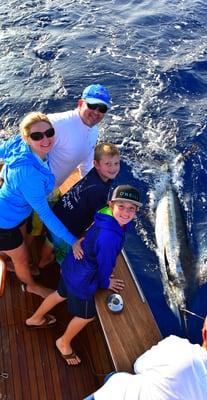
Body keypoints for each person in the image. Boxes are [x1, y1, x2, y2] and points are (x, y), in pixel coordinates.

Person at [25, 185, 142, 366]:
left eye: (131, 208)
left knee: (60, 293)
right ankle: (63, 343)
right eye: (122, 207)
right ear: (112, 205)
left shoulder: (105, 214)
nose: (126, 213)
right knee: (86, 316)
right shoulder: (110, 237)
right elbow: (104, 266)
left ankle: (35, 319)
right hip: (83, 280)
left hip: (72, 266)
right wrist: (105, 283)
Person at [85, 301, 207, 400]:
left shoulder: (177, 348)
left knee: (113, 377)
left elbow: (138, 366)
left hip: (113, 396)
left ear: (204, 333)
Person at [0, 112, 83, 298]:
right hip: (3, 225)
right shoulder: (30, 176)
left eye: (49, 132)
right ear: (26, 138)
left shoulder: (18, 143)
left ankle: (7, 257)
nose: (45, 139)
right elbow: (46, 215)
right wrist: (73, 241)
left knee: (20, 249)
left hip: (15, 214)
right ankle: (31, 286)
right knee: (22, 260)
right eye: (37, 136)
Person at [49, 142, 120, 264]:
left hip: (55, 215)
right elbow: (101, 218)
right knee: (68, 261)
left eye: (116, 163)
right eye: (108, 164)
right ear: (96, 164)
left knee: (49, 243)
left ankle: (42, 262)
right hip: (65, 230)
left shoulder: (95, 173)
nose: (113, 168)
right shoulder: (99, 190)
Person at [47, 83, 111, 188]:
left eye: (102, 109)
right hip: (26, 194)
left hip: (50, 190)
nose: (96, 112)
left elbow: (86, 165)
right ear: (80, 104)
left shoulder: (94, 131)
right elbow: (22, 144)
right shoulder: (57, 123)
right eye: (92, 105)